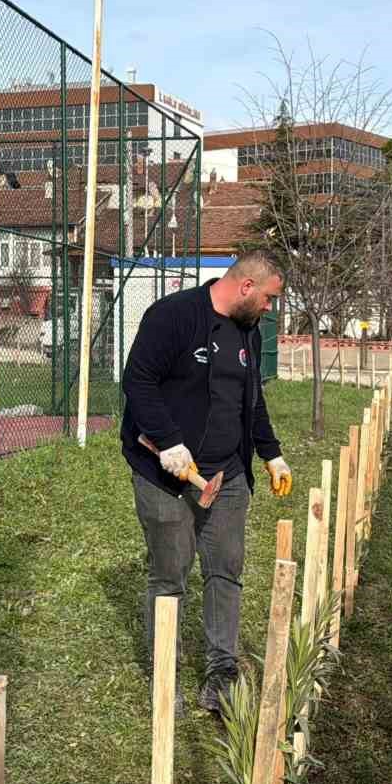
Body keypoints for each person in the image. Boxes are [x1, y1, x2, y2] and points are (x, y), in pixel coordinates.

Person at [120, 251, 293, 714]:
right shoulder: (173, 316)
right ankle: (165, 678)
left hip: (227, 474)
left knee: (226, 570)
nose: (269, 309)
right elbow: (137, 382)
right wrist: (170, 442)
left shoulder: (249, 332)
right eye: (269, 299)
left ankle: (221, 673)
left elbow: (250, 399)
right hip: (165, 475)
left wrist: (270, 452)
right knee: (170, 575)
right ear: (245, 287)